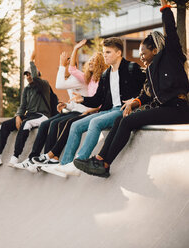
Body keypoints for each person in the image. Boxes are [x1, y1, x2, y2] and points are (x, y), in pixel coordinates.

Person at [74, 0, 189, 178]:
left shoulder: (171, 56)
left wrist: (165, 8)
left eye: (143, 53)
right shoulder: (150, 72)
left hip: (178, 109)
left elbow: (171, 30)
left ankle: (104, 163)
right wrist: (133, 103)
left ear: (156, 50)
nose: (141, 57)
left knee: (128, 122)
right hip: (165, 109)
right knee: (122, 119)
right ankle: (99, 159)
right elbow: (145, 94)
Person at [42, 37, 145, 178]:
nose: (105, 55)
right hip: (108, 110)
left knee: (95, 122)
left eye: (108, 52)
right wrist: (83, 99)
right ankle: (66, 165)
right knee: (76, 125)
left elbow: (145, 89)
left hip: (123, 110)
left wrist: (134, 101)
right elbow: (98, 100)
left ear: (118, 53)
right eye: (104, 52)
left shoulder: (131, 68)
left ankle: (80, 161)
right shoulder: (106, 74)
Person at [14, 44, 107, 172]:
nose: (90, 62)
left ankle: (52, 157)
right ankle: (36, 158)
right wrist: (75, 49)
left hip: (87, 112)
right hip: (79, 109)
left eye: (94, 61)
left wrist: (63, 65)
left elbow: (63, 82)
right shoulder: (88, 79)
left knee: (63, 123)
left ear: (100, 65)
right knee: (47, 124)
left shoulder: (96, 80)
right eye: (89, 60)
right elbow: (73, 70)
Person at [0, 53, 51, 166]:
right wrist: (18, 116)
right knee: (5, 125)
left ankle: (15, 156)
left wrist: (31, 61)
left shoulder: (44, 85)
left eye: (30, 74)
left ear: (37, 74)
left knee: (26, 124)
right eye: (26, 75)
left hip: (42, 116)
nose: (28, 76)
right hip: (30, 115)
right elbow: (23, 106)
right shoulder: (27, 89)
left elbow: (36, 79)